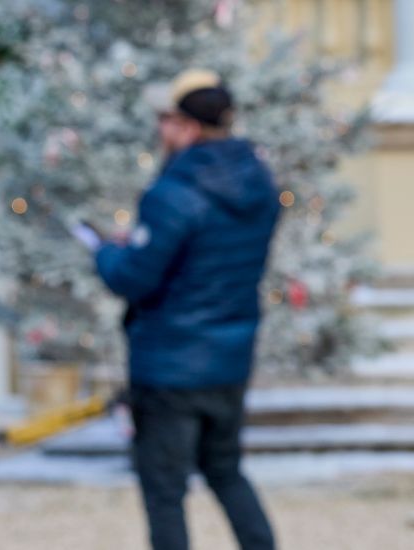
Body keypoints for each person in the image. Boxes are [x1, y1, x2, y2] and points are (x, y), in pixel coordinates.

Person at [83, 69, 280, 550]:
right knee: (227, 472)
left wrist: (105, 251)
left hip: (170, 363)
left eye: (166, 120)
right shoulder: (259, 184)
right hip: (230, 356)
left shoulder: (174, 193)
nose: (160, 131)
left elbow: (131, 278)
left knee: (164, 490)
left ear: (188, 128)